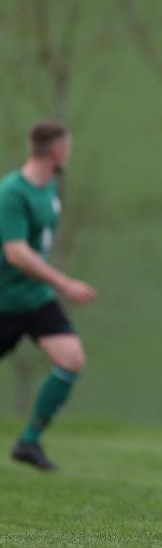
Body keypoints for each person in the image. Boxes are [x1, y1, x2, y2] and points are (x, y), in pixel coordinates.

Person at [0, 121, 96, 471]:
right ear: (56, 151)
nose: (68, 153)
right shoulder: (12, 192)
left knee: (71, 358)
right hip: (5, 301)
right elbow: (16, 253)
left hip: (35, 299)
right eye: (67, 147)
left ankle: (29, 442)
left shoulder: (50, 188)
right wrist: (64, 283)